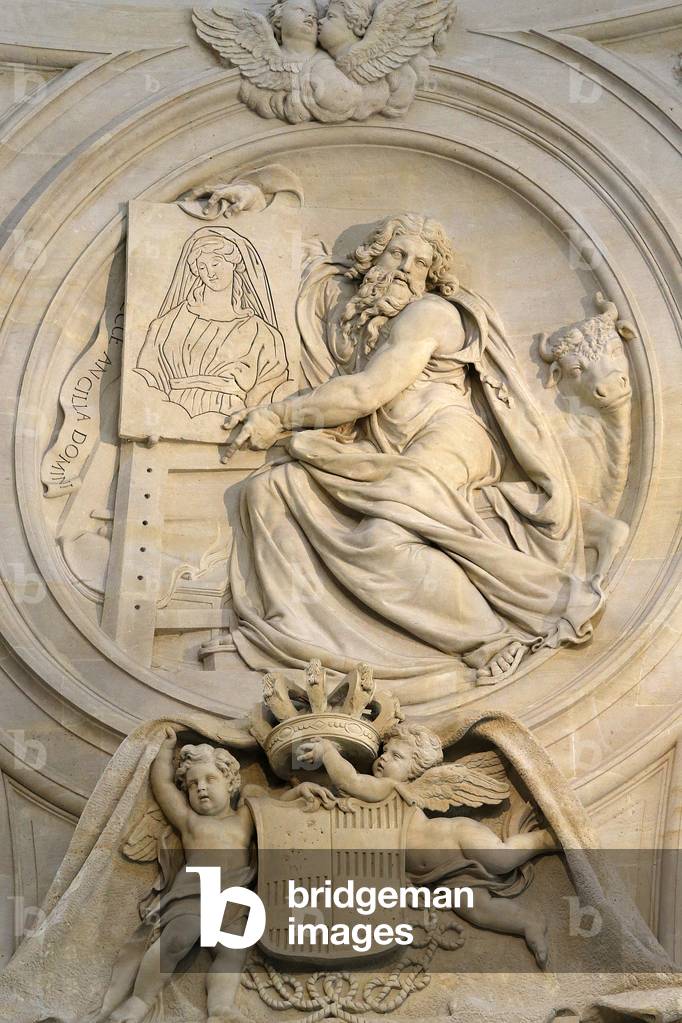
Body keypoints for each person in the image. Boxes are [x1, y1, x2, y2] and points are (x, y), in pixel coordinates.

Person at [223, 214, 602, 694]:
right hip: (381, 446)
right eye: (397, 254)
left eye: (420, 263)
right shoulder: (359, 320)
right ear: (371, 258)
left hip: (449, 437)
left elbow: (365, 392)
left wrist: (277, 416)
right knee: (270, 488)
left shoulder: (429, 314)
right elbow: (292, 271)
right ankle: (299, 628)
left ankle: (490, 638)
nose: (406, 268)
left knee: (382, 534)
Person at [105, 730, 332, 1023]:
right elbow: (161, 784)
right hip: (195, 890)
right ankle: (139, 999)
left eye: (210, 780)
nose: (201, 788)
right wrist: (165, 750)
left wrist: (299, 791)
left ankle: (221, 1008)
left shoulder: (245, 817)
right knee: (177, 938)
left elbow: (274, 812)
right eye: (192, 784)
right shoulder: (190, 821)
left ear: (231, 782)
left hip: (234, 896)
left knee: (233, 952)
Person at [299, 725, 556, 967]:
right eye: (384, 752)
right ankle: (527, 923)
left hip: (455, 838)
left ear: (414, 772)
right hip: (437, 876)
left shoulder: (389, 788)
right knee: (478, 910)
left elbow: (350, 780)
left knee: (500, 859)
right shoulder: (363, 801)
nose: (385, 758)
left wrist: (327, 751)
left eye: (396, 756)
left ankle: (545, 839)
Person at [136, 227, 290, 417]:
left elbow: (272, 389)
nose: (210, 273)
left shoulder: (262, 333)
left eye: (216, 263)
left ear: (234, 263)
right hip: (171, 414)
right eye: (202, 267)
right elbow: (146, 376)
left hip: (229, 423)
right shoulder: (169, 323)